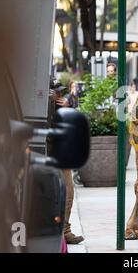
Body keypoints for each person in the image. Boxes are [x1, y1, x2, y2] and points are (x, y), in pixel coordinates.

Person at [50, 79, 85, 245]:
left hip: (61, 155)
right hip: (53, 155)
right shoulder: (48, 107)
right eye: (56, 92)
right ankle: (62, 231)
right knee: (64, 193)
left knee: (68, 193)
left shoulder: (61, 107)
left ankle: (65, 230)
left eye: (60, 91)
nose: (60, 95)